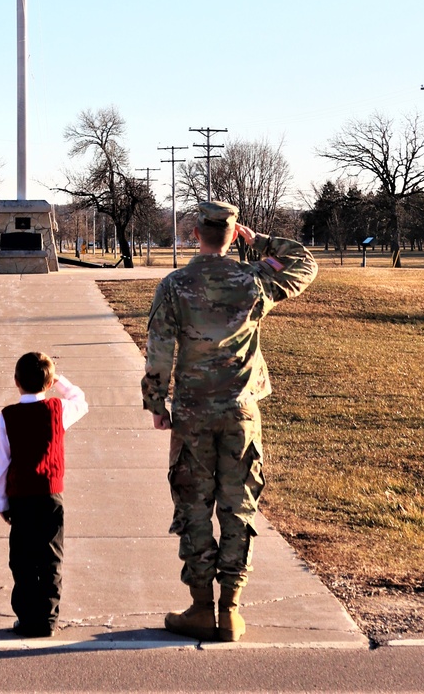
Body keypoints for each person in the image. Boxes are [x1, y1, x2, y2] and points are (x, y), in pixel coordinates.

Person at [142, 200, 318, 642]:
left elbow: (160, 348)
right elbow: (302, 263)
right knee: (238, 506)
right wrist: (258, 241)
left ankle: (201, 606)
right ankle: (231, 610)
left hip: (192, 414)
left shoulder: (175, 285)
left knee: (194, 506)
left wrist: (156, 404)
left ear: (195, 232)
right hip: (241, 411)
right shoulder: (254, 279)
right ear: (232, 232)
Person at [0, 350, 88, 638]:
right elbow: (80, 400)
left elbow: (1, 463)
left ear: (15, 382)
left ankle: (26, 616)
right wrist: (61, 381)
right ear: (48, 384)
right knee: (50, 558)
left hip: (20, 497)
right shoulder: (58, 411)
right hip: (50, 496)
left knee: (21, 558)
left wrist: (1, 501)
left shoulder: (8, 416)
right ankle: (47, 618)